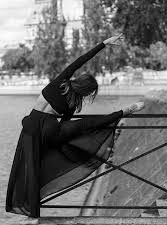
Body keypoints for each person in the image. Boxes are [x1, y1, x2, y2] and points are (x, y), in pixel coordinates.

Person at [5, 34, 145, 218]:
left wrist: (104, 43)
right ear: (86, 91)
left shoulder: (60, 82)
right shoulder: (72, 103)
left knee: (30, 167)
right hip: (50, 131)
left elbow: (80, 60)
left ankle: (28, 209)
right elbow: (64, 125)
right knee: (87, 124)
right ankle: (124, 111)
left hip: (30, 126)